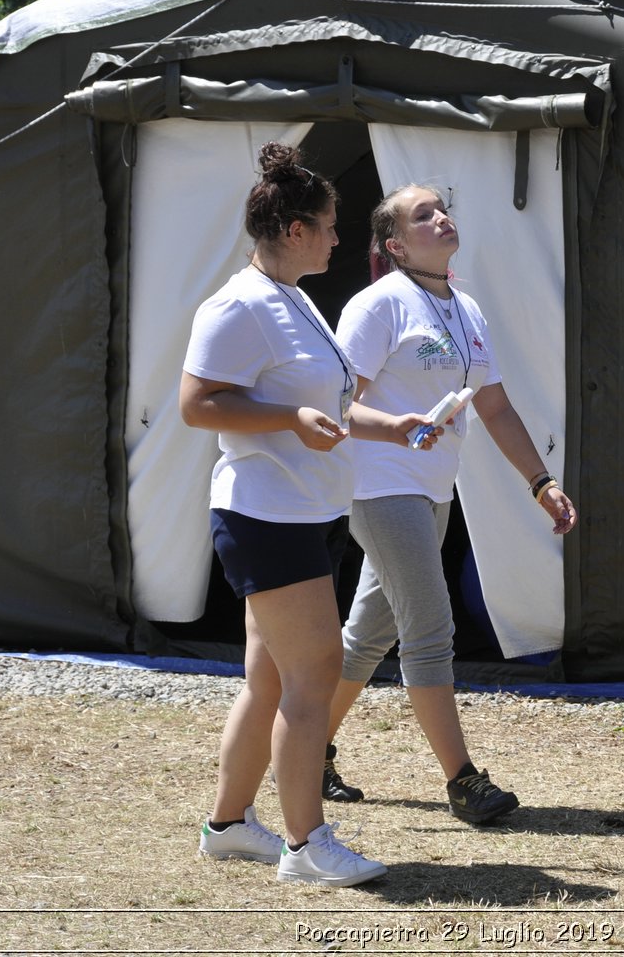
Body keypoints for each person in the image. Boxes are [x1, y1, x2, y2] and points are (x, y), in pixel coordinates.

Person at [183, 143, 438, 887]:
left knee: (270, 678)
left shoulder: (294, 299)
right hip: (265, 517)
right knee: (314, 674)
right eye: (328, 226)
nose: (337, 238)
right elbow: (197, 404)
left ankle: (229, 826)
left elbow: (321, 406)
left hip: (297, 512)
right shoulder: (238, 305)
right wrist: (290, 417)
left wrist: (388, 426)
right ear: (293, 229)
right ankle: (306, 844)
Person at [320, 183, 577, 826]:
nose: (442, 218)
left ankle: (304, 746)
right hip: (381, 485)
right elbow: (334, 402)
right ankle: (463, 782)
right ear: (396, 245)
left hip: (432, 489)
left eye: (443, 209)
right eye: (423, 214)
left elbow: (493, 405)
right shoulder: (377, 306)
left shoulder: (467, 308)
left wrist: (541, 483)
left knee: (368, 634)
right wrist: (397, 425)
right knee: (430, 627)